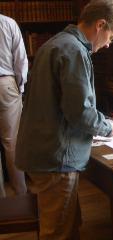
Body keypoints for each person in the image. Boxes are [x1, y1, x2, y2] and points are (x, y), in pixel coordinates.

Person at [15, 0, 113, 238]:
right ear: (100, 25)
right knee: (58, 232)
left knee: (69, 223)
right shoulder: (75, 50)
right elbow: (79, 112)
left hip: (43, 150)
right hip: (57, 157)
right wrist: (108, 127)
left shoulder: (55, 43)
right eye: (111, 37)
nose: (109, 45)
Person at [0, 13, 28, 196]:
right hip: (5, 84)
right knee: (12, 143)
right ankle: (21, 196)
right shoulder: (8, 22)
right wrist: (20, 87)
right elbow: (20, 59)